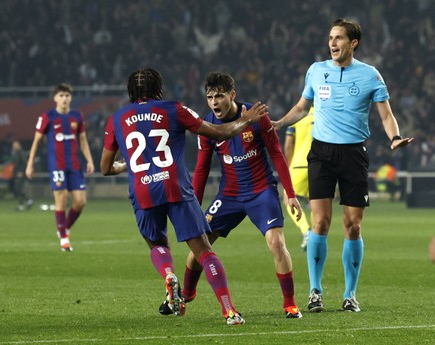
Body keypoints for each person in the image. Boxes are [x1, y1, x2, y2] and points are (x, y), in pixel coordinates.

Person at [100, 67, 269, 325]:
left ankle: (169, 275)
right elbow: (220, 132)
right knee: (204, 251)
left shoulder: (116, 118)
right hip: (175, 187)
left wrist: (124, 166)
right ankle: (229, 311)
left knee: (157, 244)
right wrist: (247, 120)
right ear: (159, 88)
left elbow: (104, 168)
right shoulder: (174, 109)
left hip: (143, 188)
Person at [273, 18, 413, 313]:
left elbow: (386, 115)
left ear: (353, 43)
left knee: (352, 225)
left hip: (353, 155)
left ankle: (350, 294)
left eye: (338, 38)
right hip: (321, 153)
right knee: (320, 222)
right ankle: (315, 291)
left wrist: (395, 137)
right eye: (330, 38)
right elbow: (302, 107)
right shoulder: (316, 70)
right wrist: (278, 123)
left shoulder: (370, 75)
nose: (332, 43)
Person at [180, 72, 303, 319]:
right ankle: (187, 292)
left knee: (277, 243)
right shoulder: (207, 126)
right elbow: (202, 168)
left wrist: (290, 193)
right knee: (198, 247)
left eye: (219, 96)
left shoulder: (257, 117)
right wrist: (192, 204)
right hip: (229, 195)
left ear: (232, 95)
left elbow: (277, 154)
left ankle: (290, 304)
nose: (214, 102)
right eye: (209, 97)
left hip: (261, 192)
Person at [26, 83, 94, 252]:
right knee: (62, 198)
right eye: (61, 95)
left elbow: (83, 141)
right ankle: (64, 239)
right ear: (55, 98)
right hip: (57, 165)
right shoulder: (47, 117)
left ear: (71, 98)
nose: (64, 98)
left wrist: (90, 160)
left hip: (74, 165)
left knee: (80, 201)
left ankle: (64, 228)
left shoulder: (77, 117)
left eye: (67, 95)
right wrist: (30, 163)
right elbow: (36, 142)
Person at [283, 107, 315, 250]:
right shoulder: (323, 112)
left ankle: (306, 231)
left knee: (287, 198)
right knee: (315, 201)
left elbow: (288, 145)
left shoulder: (296, 115)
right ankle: (316, 236)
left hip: (300, 165)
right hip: (320, 165)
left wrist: (289, 166)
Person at [10, 140, 33, 211]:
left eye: (15, 145)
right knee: (17, 189)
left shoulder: (21, 153)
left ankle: (23, 204)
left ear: (18, 145)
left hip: (20, 173)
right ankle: (27, 201)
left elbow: (24, 163)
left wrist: (21, 172)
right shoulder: (16, 153)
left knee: (18, 189)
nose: (13, 147)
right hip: (17, 173)